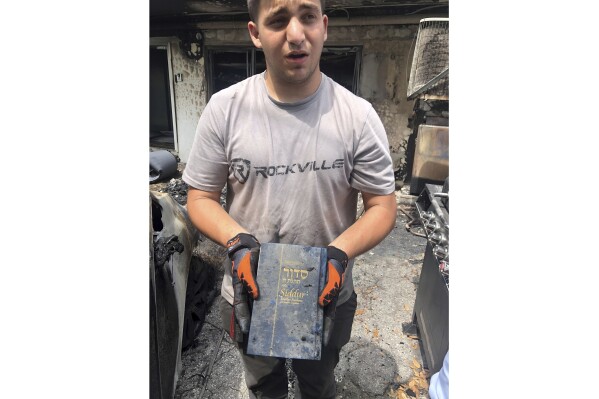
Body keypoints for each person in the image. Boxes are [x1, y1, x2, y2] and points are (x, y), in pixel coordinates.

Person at [182, 0, 397, 397]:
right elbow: (201, 197)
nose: (295, 34)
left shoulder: (357, 116)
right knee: (264, 388)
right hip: (250, 294)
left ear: (324, 25)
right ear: (255, 33)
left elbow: (382, 206)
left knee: (318, 384)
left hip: (326, 296)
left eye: (307, 16)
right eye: (278, 20)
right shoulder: (224, 110)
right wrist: (236, 241)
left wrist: (340, 252)